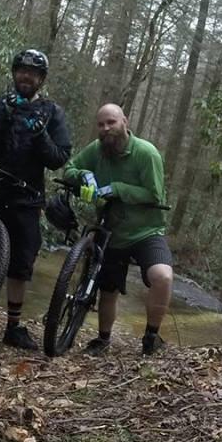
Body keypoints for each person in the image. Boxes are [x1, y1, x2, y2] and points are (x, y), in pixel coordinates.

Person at [0, 49, 72, 350]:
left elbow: (58, 158)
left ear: (41, 79)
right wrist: (4, 118)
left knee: (22, 263)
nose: (26, 77)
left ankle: (13, 327)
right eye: (22, 71)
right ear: (14, 73)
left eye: (33, 73)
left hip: (27, 196)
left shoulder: (52, 112)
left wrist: (40, 134)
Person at [65, 103, 173, 356]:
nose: (105, 128)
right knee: (108, 289)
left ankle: (151, 336)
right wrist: (83, 175)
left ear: (125, 121)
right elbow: (69, 168)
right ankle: (103, 339)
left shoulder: (146, 153)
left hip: (146, 230)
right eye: (101, 124)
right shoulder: (97, 149)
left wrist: (118, 188)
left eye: (111, 122)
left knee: (163, 277)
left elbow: (155, 194)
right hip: (110, 230)